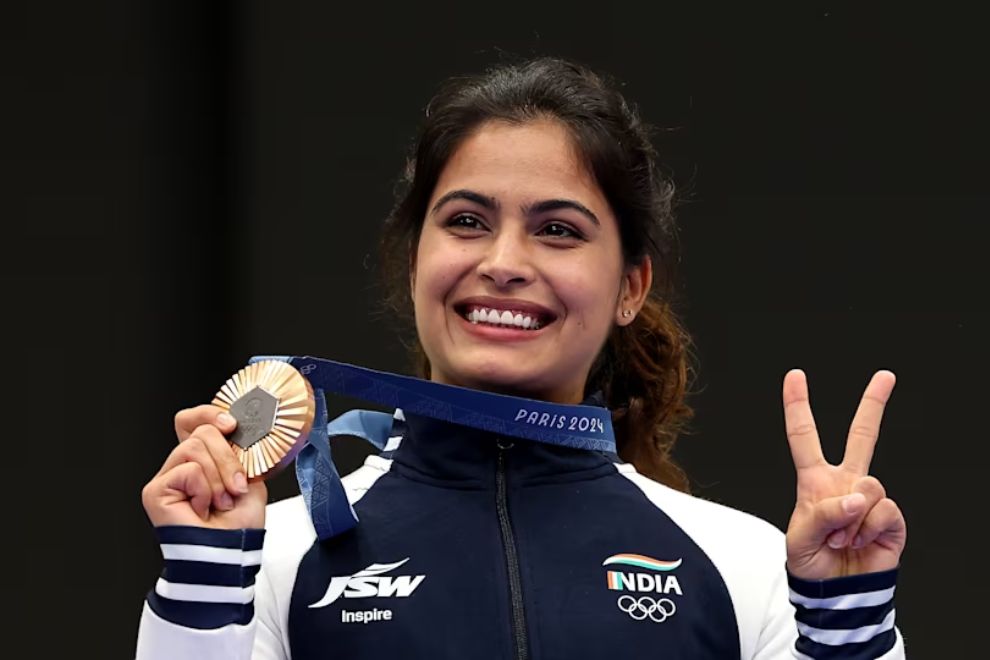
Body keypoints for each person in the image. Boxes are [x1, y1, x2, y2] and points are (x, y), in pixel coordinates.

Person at [136, 57, 907, 659]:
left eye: (559, 230)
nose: (503, 261)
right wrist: (204, 584)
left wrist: (849, 632)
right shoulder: (275, 555)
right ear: (414, 266)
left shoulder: (746, 565)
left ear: (630, 286)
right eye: (467, 220)